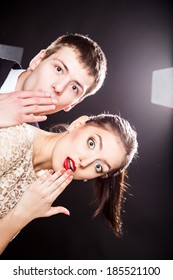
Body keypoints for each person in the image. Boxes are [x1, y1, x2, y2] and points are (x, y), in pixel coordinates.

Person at [0, 112, 138, 254]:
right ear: (78, 124)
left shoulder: (39, 191)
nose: (85, 162)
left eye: (98, 167)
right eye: (91, 143)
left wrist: (24, 213)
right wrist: (22, 214)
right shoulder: (13, 139)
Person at [0, 33, 107, 128]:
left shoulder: (31, 147)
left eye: (74, 87)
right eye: (58, 69)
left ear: (73, 104)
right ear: (38, 60)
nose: (59, 87)